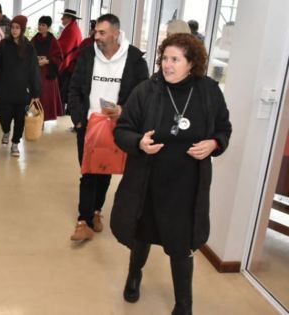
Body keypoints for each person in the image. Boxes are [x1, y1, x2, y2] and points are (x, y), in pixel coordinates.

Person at [110, 33, 232, 315]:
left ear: (191, 63)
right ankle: (134, 275)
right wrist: (138, 143)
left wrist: (214, 143)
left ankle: (184, 303)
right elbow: (122, 130)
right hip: (148, 181)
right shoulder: (146, 91)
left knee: (181, 245)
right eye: (165, 58)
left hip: (186, 187)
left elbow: (224, 129)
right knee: (141, 235)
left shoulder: (209, 92)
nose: (167, 65)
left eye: (175, 59)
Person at [67, 14, 148, 241]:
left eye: (102, 32)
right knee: (88, 171)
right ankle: (83, 221)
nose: (97, 36)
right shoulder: (87, 55)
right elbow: (74, 88)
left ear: (115, 33)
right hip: (89, 124)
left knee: (104, 171)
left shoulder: (133, 59)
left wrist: (123, 110)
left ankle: (95, 212)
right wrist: (78, 119)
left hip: (117, 127)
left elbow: (143, 94)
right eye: (96, 32)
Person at [0, 15, 41, 157]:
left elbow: (34, 71)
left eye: (17, 28)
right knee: (4, 117)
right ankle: (6, 131)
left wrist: (35, 92)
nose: (14, 30)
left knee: (19, 120)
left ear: (22, 29)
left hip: (22, 92)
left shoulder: (29, 48)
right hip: (5, 90)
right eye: (12, 27)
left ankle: (15, 143)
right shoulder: (3, 45)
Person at [31, 16, 63, 121]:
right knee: (36, 95)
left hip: (48, 73)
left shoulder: (53, 40)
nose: (40, 27)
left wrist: (47, 60)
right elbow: (28, 53)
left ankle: (43, 119)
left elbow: (59, 57)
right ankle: (37, 119)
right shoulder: (34, 38)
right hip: (36, 71)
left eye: (43, 25)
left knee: (46, 96)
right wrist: (35, 59)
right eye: (39, 24)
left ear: (48, 27)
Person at [58, 9, 83, 111]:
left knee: (64, 90)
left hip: (69, 65)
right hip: (72, 64)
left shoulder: (71, 30)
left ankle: (61, 110)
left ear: (69, 18)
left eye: (63, 17)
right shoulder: (73, 28)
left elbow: (64, 48)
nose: (62, 19)